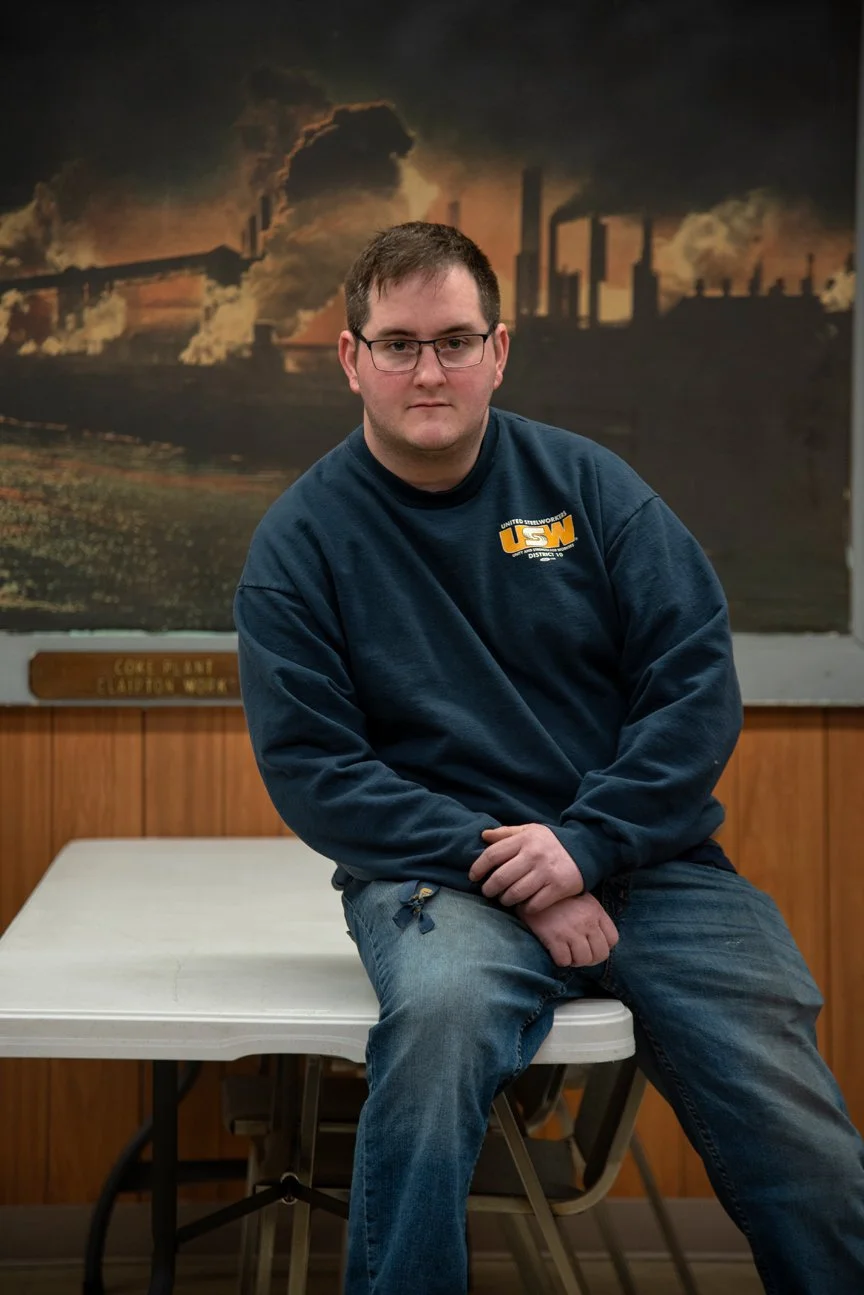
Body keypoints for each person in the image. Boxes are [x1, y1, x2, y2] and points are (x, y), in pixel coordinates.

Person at [235, 221, 864, 1295]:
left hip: (650, 863)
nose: (427, 369)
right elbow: (315, 770)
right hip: (442, 877)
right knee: (435, 1038)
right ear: (351, 357)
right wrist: (517, 868)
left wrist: (585, 842)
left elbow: (694, 684)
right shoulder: (300, 544)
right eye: (396, 343)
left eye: (453, 338)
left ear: (499, 349)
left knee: (794, 1120)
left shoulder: (594, 489)